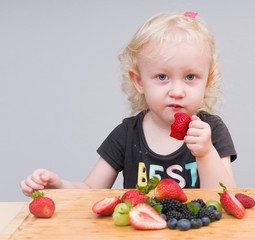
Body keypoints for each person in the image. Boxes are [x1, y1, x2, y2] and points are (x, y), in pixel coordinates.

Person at [20, 11, 237, 197]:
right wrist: (58, 186)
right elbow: (89, 189)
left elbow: (224, 197)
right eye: (162, 77)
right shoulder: (127, 134)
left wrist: (206, 153)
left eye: (190, 77)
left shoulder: (212, 131)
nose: (177, 92)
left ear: (206, 81)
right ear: (139, 81)